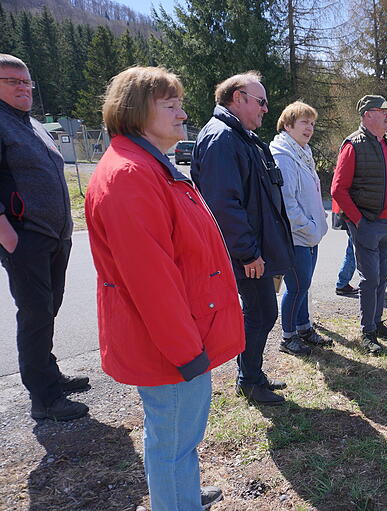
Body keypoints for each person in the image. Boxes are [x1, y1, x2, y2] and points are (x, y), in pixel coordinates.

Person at [86, 66, 242, 511]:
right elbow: (151, 282)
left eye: (180, 102)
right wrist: (186, 352)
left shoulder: (148, 165)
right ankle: (176, 500)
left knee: (179, 437)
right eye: (169, 104)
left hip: (181, 335)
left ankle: (181, 493)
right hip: (169, 346)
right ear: (135, 111)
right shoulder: (130, 176)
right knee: (172, 440)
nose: (183, 112)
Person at [192, 71, 293, 406]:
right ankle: (249, 379)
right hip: (243, 254)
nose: (266, 109)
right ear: (238, 98)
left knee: (261, 311)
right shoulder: (222, 139)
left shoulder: (239, 136)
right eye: (260, 102)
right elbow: (224, 205)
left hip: (252, 249)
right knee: (261, 312)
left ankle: (251, 375)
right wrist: (249, 253)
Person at [0, 53, 89, 422]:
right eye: (13, 82)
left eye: (27, 82)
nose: (23, 88)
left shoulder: (31, 124)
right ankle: (45, 400)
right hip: (26, 238)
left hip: (56, 236)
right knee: (35, 314)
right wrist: (10, 239)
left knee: (49, 307)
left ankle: (49, 375)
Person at [330, 95, 387, 354]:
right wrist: (360, 222)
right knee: (370, 279)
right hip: (368, 224)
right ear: (366, 115)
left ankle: (376, 322)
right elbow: (338, 190)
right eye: (382, 111)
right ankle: (367, 332)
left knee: (382, 277)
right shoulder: (353, 144)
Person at [270, 101, 332, 353]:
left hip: (310, 234)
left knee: (304, 285)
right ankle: (288, 337)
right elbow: (288, 204)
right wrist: (309, 227)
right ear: (288, 125)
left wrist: (317, 226)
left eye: (312, 123)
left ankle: (304, 327)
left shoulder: (302, 152)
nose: (310, 128)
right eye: (305, 122)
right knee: (296, 287)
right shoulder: (283, 156)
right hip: (296, 236)